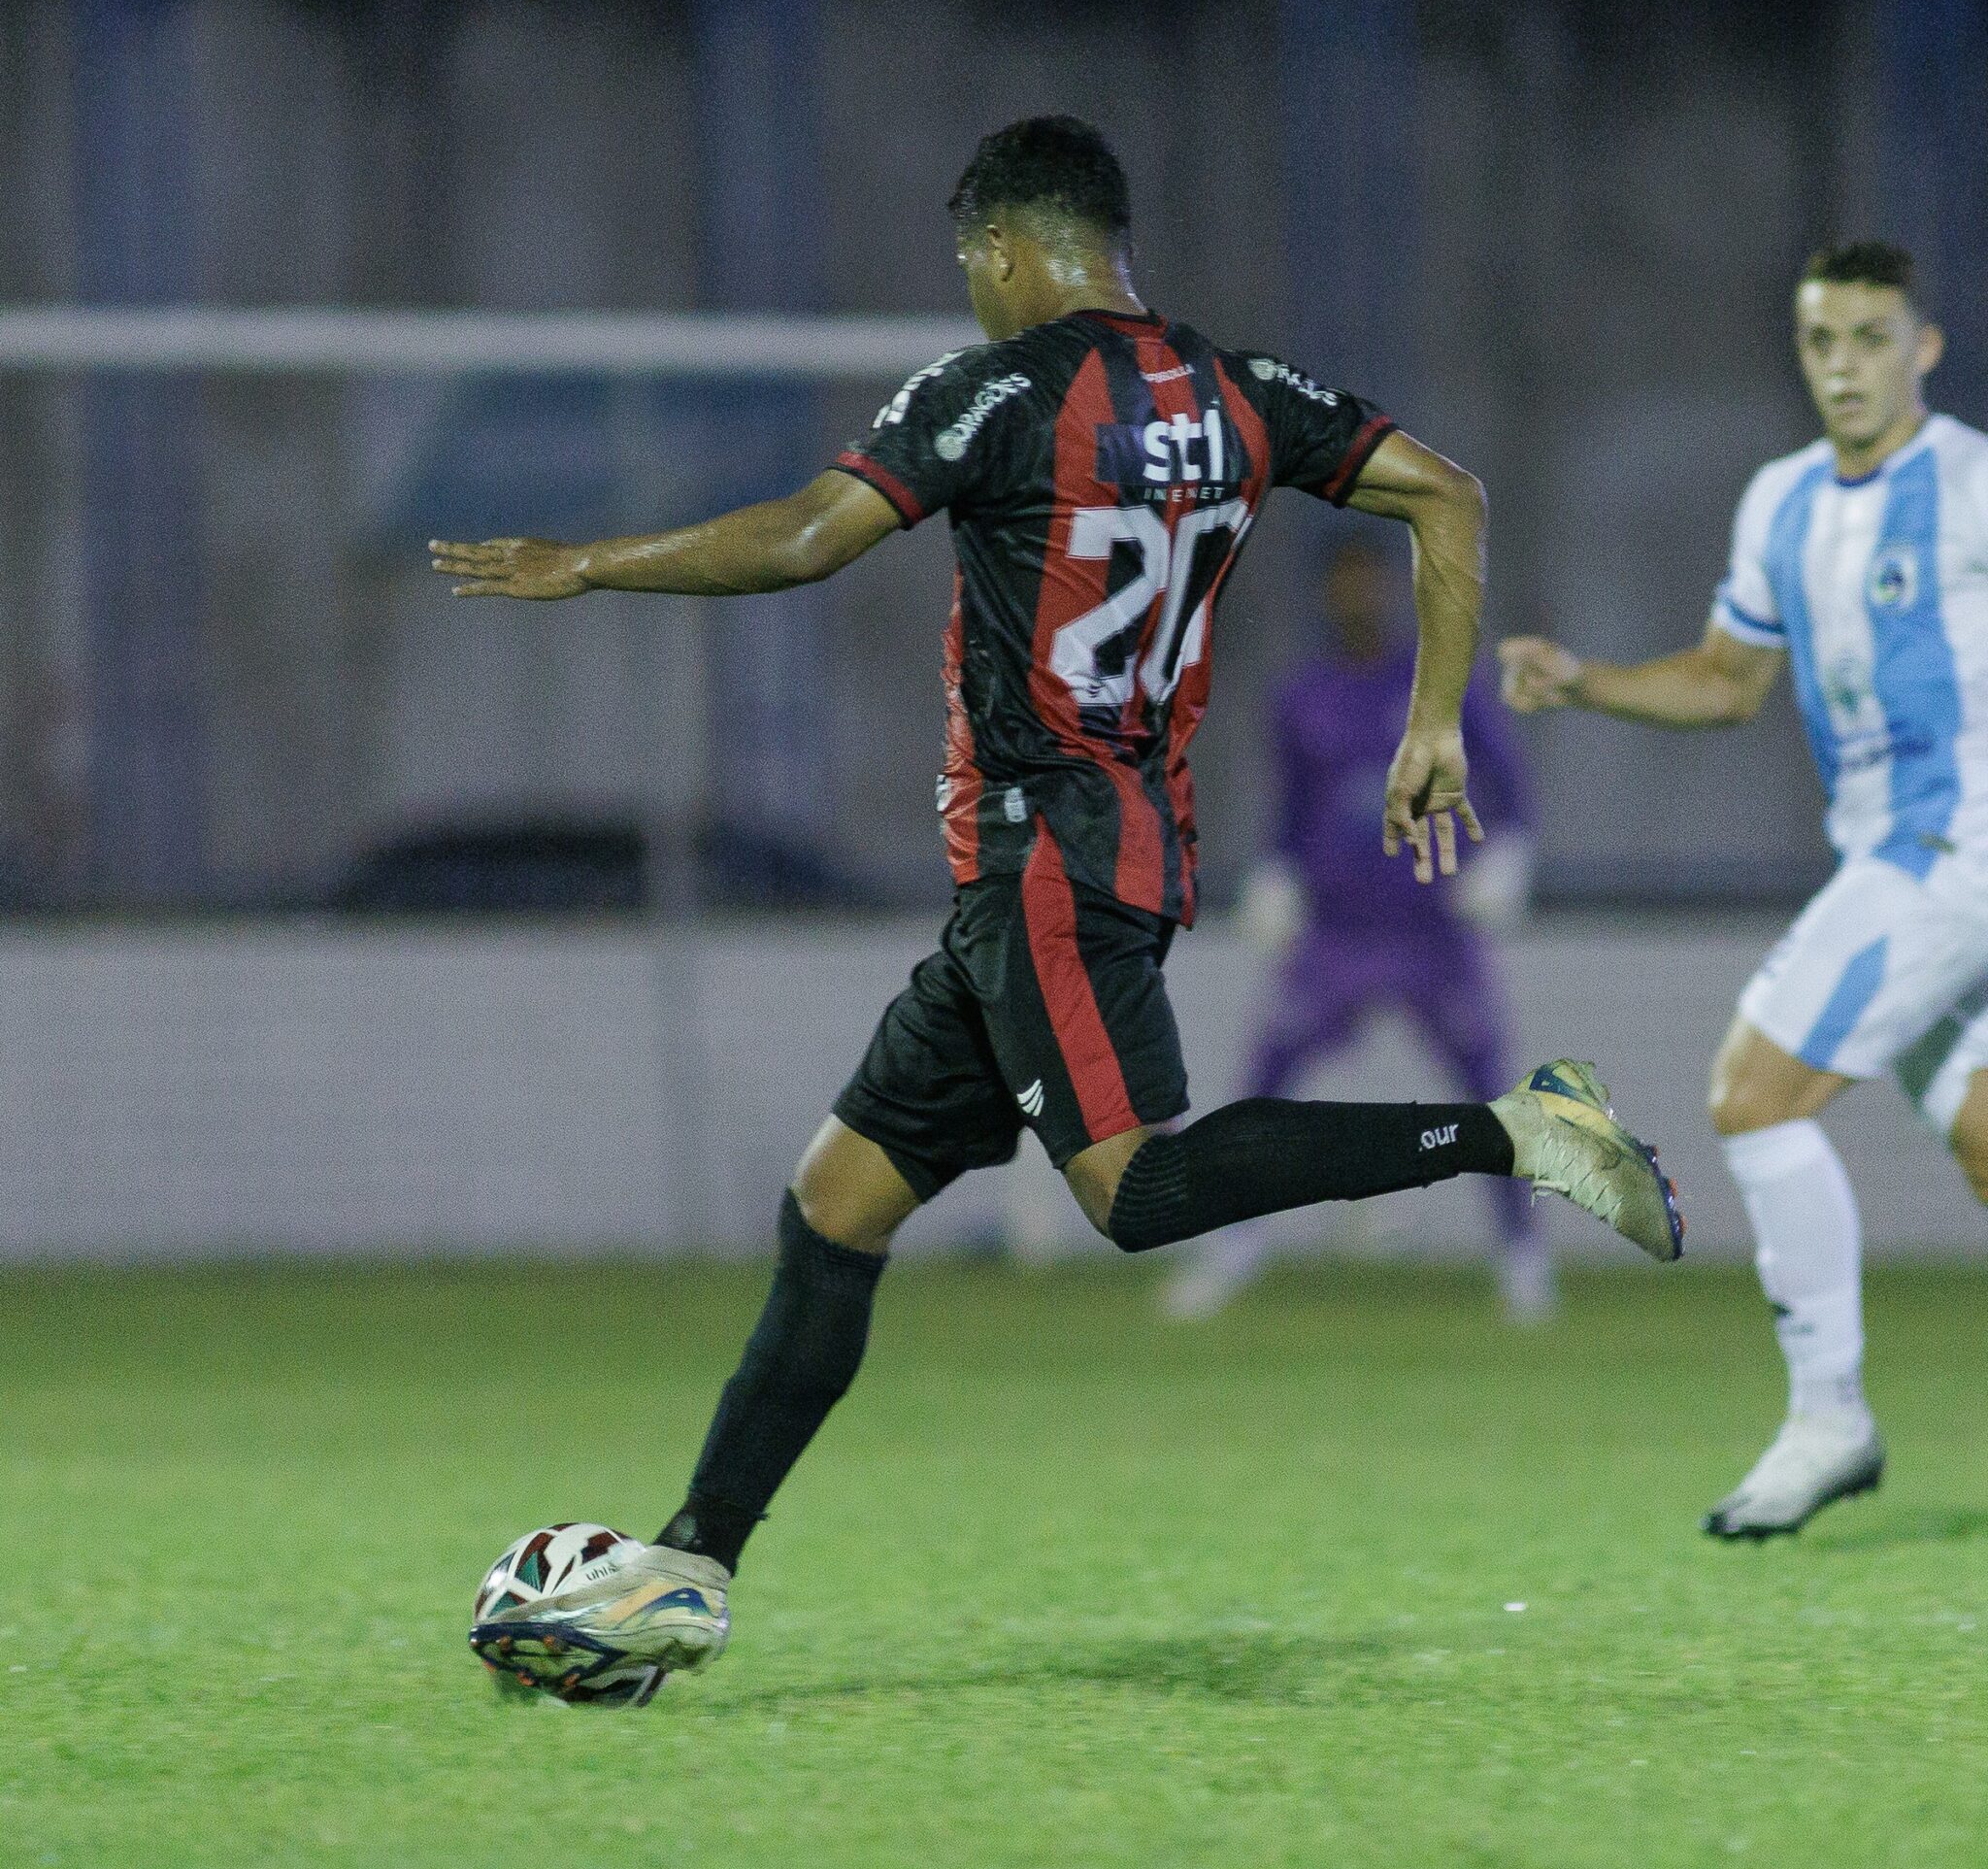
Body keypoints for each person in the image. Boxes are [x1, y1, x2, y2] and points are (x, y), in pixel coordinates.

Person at [433, 115, 1679, 1698]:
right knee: (836, 1206)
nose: (972, 291)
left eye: (972, 265)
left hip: (1052, 853)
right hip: (1092, 855)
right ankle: (690, 1568)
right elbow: (1447, 494)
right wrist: (1433, 719)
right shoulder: (1238, 391)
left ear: (1005, 249)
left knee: (1134, 1192)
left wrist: (591, 565)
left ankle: (1513, 1131)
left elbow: (808, 538)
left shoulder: (996, 392)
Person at [1502, 240, 1988, 1539]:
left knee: (1751, 1091)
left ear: (1923, 348)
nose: (1845, 365)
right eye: (1822, 340)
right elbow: (1726, 682)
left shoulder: (1971, 482)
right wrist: (1586, 680)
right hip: (1890, 854)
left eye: (1872, 338)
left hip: (1955, 848)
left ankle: (1828, 1419)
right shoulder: (1780, 501)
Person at [1163, 534, 1552, 1321]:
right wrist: (1277, 876)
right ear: (1325, 594)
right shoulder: (1302, 697)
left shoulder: (1440, 685)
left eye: (1369, 581)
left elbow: (1507, 786)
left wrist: (1509, 856)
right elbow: (1291, 809)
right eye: (1344, 582)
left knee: (1489, 1093)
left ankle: (1523, 1258)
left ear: (1392, 589)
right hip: (1337, 935)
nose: (1357, 597)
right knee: (1264, 1086)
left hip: (1430, 930)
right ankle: (1231, 1246)